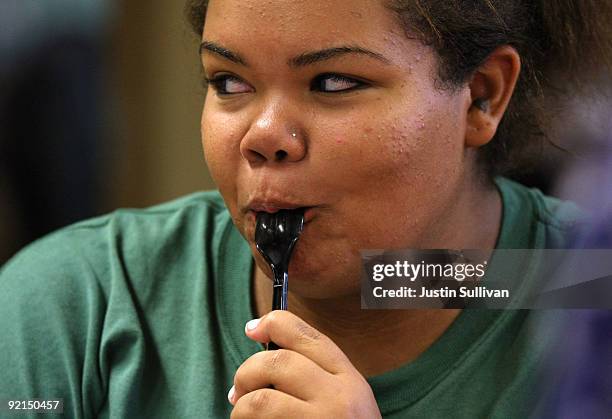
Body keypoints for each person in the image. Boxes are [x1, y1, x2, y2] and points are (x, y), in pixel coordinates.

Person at [1, 1, 610, 417]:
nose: (263, 136)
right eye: (229, 82)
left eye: (334, 82)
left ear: (481, 96)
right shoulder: (73, 305)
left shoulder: (588, 292)